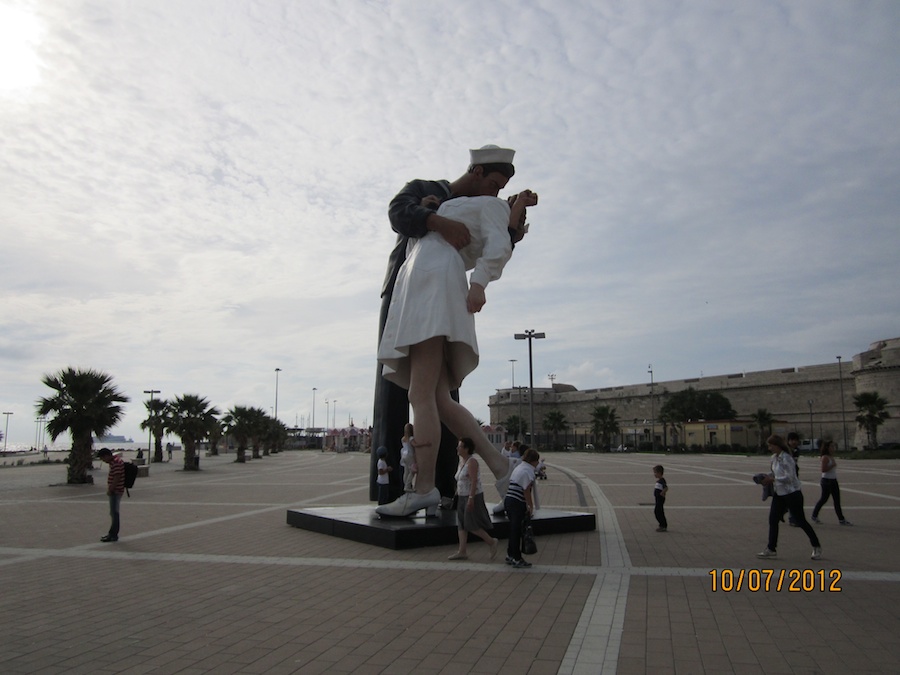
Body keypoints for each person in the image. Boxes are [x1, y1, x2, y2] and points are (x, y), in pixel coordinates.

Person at [375, 154, 537, 518]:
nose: (498, 192)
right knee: (439, 399)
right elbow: (402, 214)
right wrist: (433, 211)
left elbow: (499, 246)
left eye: (502, 190)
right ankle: (501, 468)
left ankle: (424, 487)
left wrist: (479, 284)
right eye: (495, 183)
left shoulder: (489, 206)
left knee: (420, 393)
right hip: (417, 287)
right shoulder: (444, 202)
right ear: (477, 172)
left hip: (435, 287)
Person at [757, 435, 822, 560]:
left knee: (800, 520)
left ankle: (816, 546)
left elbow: (790, 477)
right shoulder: (774, 458)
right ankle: (771, 548)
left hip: (792, 493)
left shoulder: (787, 458)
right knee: (773, 520)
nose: (769, 448)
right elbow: (775, 473)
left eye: (771, 445)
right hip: (779, 493)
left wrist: (773, 479)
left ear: (777, 445)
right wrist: (766, 478)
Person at [448, 437, 499, 561]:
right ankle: (462, 551)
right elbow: (459, 479)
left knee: (470, 524)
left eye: (460, 446)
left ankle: (491, 542)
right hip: (461, 496)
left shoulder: (472, 462)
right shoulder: (461, 461)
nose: (457, 448)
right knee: (461, 524)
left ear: (466, 448)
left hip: (472, 496)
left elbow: (473, 481)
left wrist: (471, 498)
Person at [504, 448, 540, 568]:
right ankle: (516, 558)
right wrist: (530, 505)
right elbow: (526, 490)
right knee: (517, 531)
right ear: (533, 461)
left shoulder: (519, 467)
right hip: (516, 502)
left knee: (513, 529)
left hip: (509, 500)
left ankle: (510, 554)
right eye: (537, 461)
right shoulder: (528, 471)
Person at [811, 440, 852, 525]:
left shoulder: (831, 457)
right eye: (831, 447)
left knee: (837, 500)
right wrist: (832, 465)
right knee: (823, 499)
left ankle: (841, 519)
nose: (833, 448)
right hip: (826, 481)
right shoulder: (825, 457)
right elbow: (823, 469)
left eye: (833, 447)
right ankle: (814, 515)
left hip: (833, 480)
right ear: (827, 448)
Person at [97, 448, 124, 542]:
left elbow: (117, 477)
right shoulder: (116, 461)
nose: (103, 461)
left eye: (103, 458)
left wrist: (111, 489)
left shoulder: (116, 463)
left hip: (115, 491)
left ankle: (113, 534)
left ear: (107, 456)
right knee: (113, 513)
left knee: (114, 513)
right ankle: (112, 534)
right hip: (117, 490)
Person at [786, 432, 802, 526]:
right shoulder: (786, 451)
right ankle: (792, 518)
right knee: (792, 498)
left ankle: (785, 512)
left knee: (794, 498)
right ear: (788, 441)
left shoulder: (797, 450)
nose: (794, 442)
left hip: (795, 476)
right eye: (792, 440)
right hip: (787, 477)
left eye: (796, 440)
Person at [400, 423, 417, 493]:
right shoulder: (411, 438)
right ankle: (407, 485)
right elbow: (415, 445)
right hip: (410, 455)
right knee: (412, 470)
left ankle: (405, 484)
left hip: (404, 455)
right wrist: (425, 444)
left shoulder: (403, 438)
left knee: (406, 471)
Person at [653, 465, 668, 532]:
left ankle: (663, 525)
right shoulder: (659, 481)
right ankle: (662, 524)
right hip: (657, 499)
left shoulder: (662, 480)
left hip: (660, 499)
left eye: (655, 472)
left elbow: (666, 487)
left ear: (659, 473)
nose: (654, 474)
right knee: (658, 511)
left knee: (659, 512)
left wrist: (662, 492)